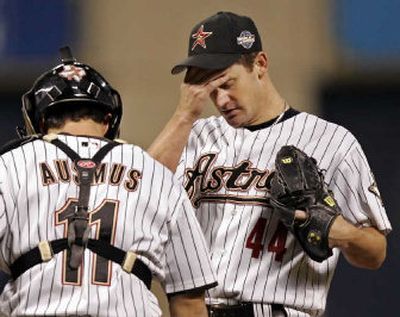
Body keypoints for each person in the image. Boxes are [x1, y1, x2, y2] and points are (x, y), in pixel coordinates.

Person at [148, 12, 391, 317]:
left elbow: (375, 252)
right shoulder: (193, 135)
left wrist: (344, 233)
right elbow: (137, 194)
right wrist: (183, 116)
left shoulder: (331, 141)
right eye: (211, 90)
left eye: (227, 84)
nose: (221, 100)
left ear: (260, 64)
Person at [0, 47, 217, 316]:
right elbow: (189, 299)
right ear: (107, 120)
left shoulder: (12, 163)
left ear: (41, 120)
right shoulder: (154, 173)